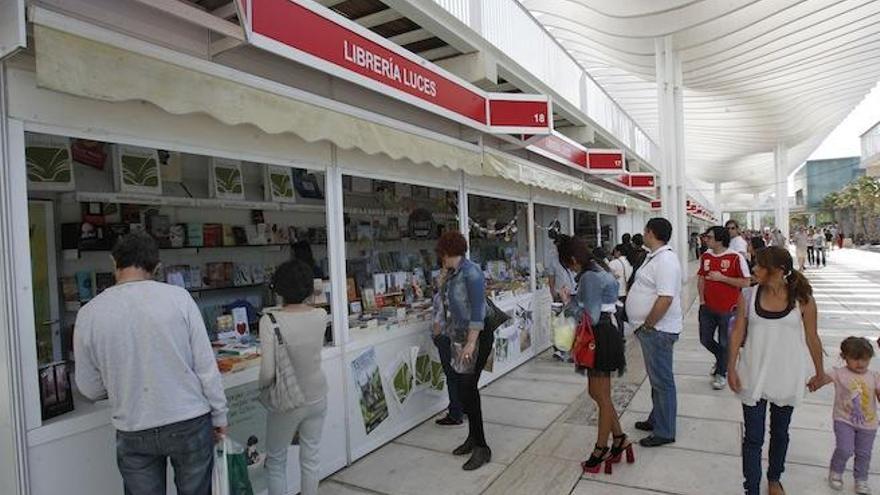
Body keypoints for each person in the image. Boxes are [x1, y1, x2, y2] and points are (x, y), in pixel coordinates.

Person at [74, 233, 228, 495]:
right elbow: (205, 367)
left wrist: (120, 384)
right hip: (189, 419)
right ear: (156, 266)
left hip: (133, 424)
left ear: (114, 263)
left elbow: (89, 387)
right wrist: (219, 415)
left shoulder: (89, 312)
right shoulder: (179, 298)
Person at [728, 246, 826, 495]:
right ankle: (751, 489)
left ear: (779, 270)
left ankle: (774, 478)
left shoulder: (802, 300)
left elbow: (813, 338)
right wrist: (730, 367)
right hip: (753, 374)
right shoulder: (748, 296)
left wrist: (820, 372)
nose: (754, 269)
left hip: (786, 375)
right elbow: (737, 332)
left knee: (780, 433)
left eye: (760, 265)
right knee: (753, 438)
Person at [558, 237, 632, 474]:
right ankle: (619, 439)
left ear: (572, 260)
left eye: (568, 265)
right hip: (604, 334)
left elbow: (589, 314)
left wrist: (568, 302)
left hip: (599, 336)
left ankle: (601, 449)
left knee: (601, 395)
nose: (569, 269)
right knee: (598, 393)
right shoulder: (599, 267)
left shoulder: (589, 276)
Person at [260, 260, 329, 495]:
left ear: (278, 288)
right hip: (317, 395)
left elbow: (268, 372)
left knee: (276, 462)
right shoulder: (320, 314)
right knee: (311, 458)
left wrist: (261, 390)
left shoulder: (269, 321)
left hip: (287, 400)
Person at [436, 231, 492, 471]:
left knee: (468, 390)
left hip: (474, 337)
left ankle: (482, 447)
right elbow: (449, 306)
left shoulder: (471, 272)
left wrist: (471, 342)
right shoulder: (452, 274)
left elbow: (479, 309)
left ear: (448, 253)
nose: (441, 259)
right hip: (458, 337)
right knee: (462, 388)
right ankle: (473, 439)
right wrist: (440, 285)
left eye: (442, 255)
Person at [626, 218, 683, 448]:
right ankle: (656, 418)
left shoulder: (666, 260)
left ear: (651, 233)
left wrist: (649, 323)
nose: (643, 235)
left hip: (658, 330)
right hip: (652, 330)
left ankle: (665, 430)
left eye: (645, 231)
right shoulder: (656, 257)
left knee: (662, 381)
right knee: (656, 378)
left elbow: (666, 298)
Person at [812, 337, 879, 494]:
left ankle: (861, 479)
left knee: (864, 453)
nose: (860, 363)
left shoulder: (874, 376)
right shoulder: (839, 373)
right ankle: (836, 472)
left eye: (864, 359)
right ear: (844, 357)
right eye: (855, 359)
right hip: (843, 420)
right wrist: (815, 382)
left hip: (869, 423)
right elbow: (823, 378)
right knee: (845, 449)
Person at [698, 226, 751, 391]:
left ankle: (721, 372)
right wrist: (701, 300)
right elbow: (701, 278)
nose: (706, 239)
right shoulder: (706, 255)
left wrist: (723, 278)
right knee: (705, 339)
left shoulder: (735, 258)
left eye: (710, 237)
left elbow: (746, 282)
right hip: (707, 307)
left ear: (720, 239)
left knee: (725, 342)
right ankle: (721, 359)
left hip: (729, 309)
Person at [431, 267, 464, 427]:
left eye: (441, 275)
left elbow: (438, 321)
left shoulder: (442, 295)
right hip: (458, 337)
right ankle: (462, 409)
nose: (437, 277)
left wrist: (435, 336)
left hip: (446, 338)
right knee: (459, 374)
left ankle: (455, 413)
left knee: (451, 376)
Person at [609, 244, 633, 340]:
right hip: (625, 292)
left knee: (614, 316)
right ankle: (621, 334)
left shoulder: (613, 263)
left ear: (618, 252)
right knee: (620, 317)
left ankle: (618, 336)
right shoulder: (628, 262)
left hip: (616, 292)